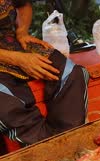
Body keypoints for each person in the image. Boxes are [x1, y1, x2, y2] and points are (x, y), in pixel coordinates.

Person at [0, 0, 89, 146]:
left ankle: (69, 142)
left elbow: (23, 4)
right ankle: (46, 148)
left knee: (72, 73)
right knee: (6, 104)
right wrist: (18, 59)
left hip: (12, 43)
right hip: (9, 56)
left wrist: (22, 32)